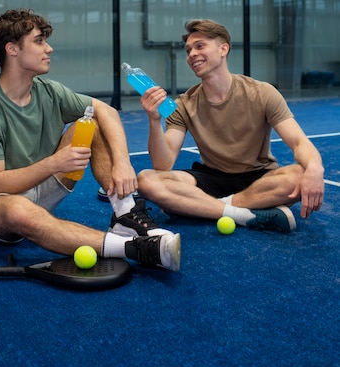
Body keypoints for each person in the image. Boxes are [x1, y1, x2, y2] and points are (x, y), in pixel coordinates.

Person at [0, 9, 180, 272]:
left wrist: (122, 163)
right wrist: (54, 163)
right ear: (12, 49)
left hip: (39, 187)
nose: (48, 49)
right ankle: (137, 248)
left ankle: (125, 214)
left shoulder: (49, 91)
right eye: (39, 41)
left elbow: (106, 111)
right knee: (17, 209)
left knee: (92, 124)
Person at [136, 18, 325, 232]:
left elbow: (299, 141)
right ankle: (244, 214)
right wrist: (154, 120)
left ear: (223, 49)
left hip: (260, 177)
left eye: (200, 46)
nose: (192, 55)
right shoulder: (183, 104)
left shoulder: (262, 93)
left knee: (300, 175)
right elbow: (163, 165)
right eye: (188, 50)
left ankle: (201, 206)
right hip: (211, 177)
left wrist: (315, 168)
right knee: (146, 180)